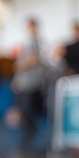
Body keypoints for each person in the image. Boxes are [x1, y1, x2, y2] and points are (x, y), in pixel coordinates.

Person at [11, 18, 46, 147]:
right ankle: (28, 140)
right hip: (25, 83)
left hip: (30, 84)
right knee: (25, 113)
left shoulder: (34, 43)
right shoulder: (30, 43)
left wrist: (18, 66)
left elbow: (32, 61)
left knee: (28, 113)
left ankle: (31, 142)